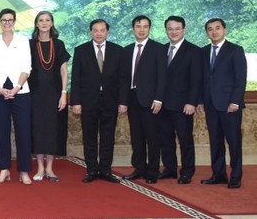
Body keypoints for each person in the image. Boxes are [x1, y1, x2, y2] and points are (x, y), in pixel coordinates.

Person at [70, 19, 126, 183]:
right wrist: (76, 102)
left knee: (108, 137)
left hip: (111, 101)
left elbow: (123, 79)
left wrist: (123, 102)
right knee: (89, 137)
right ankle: (92, 170)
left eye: (102, 30)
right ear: (91, 32)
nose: (99, 33)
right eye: (95, 30)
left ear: (107, 32)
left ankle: (106, 171)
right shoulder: (81, 50)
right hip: (88, 101)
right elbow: (76, 78)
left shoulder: (118, 51)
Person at [197, 18, 247, 189]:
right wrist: (200, 101)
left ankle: (236, 176)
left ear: (224, 29)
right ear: (207, 33)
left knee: (233, 142)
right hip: (211, 104)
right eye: (210, 29)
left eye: (217, 28)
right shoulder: (203, 52)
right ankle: (218, 174)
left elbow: (241, 79)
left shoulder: (235, 50)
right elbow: (202, 79)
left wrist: (235, 101)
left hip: (229, 105)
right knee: (215, 141)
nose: (214, 32)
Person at [0, 8, 33, 184]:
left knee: (23, 132)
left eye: (10, 20)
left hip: (20, 92)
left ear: (14, 22)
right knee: (2, 132)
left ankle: (24, 171)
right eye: (4, 20)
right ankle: (4, 169)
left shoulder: (23, 41)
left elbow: (26, 67)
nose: (7, 23)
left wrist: (17, 87)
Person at [120, 15, 166, 185]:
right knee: (136, 136)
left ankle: (153, 171)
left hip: (151, 101)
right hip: (132, 99)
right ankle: (139, 168)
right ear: (133, 28)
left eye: (145, 26)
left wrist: (159, 98)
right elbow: (124, 78)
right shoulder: (126, 50)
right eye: (138, 26)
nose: (141, 29)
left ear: (149, 29)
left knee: (152, 137)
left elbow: (162, 77)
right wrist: (123, 101)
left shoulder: (159, 49)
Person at [28, 11, 70, 182]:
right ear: (36, 24)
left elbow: (64, 70)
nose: (44, 23)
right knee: (38, 131)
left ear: (52, 23)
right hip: (34, 95)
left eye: (47, 20)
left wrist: (63, 93)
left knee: (53, 131)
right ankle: (39, 168)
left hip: (54, 95)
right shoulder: (30, 44)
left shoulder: (59, 44)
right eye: (41, 20)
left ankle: (50, 169)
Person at [159, 16, 201, 184]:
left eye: (177, 28)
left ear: (183, 30)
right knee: (165, 139)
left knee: (185, 140)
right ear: (166, 30)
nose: (174, 32)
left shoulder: (194, 51)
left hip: (183, 105)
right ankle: (170, 169)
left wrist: (191, 102)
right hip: (162, 105)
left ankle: (187, 171)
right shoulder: (161, 50)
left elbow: (196, 79)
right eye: (170, 29)